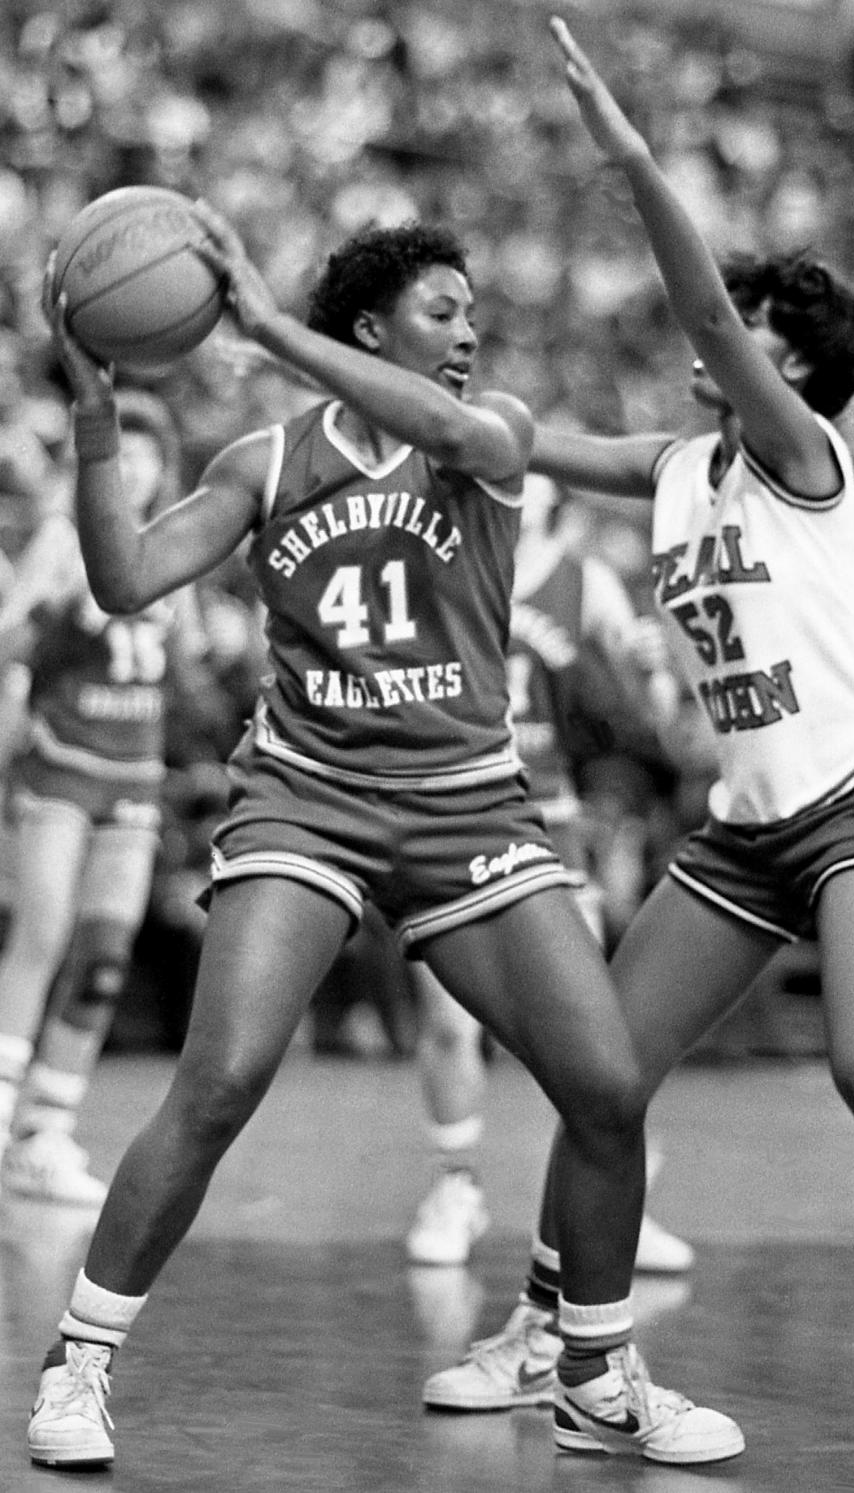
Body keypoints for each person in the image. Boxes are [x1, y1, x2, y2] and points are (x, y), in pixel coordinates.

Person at [26, 210, 745, 1468]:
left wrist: (265, 327)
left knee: (606, 1086)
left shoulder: (494, 439)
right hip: (308, 798)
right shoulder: (265, 460)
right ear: (372, 326)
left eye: (475, 313)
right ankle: (78, 1363)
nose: (470, 335)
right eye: (441, 312)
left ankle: (590, 1370)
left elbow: (461, 429)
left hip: (467, 803)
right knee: (222, 1079)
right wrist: (95, 411)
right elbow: (126, 579)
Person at [422, 16, 854, 1428]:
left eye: (753, 337)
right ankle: (548, 1337)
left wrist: (633, 157)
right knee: (606, 1073)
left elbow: (710, 315)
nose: (715, 345)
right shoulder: (675, 470)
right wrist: (409, 388)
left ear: (790, 371)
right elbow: (523, 446)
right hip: (745, 830)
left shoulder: (801, 455)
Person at [406, 471, 694, 1276]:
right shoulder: (432, 556)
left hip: (550, 817)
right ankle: (455, 1186)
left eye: (525, 466)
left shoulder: (584, 577)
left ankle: (615, 1207)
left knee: (591, 1026)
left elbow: (654, 715)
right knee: (449, 1018)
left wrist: (654, 667)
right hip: (451, 809)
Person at [0, 390, 206, 1205]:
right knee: (43, 927)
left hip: (135, 771)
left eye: (150, 455)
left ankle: (46, 1131)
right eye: (124, 454)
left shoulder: (174, 547)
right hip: (61, 761)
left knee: (103, 955)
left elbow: (183, 660)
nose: (139, 468)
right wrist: (49, 614)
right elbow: (11, 637)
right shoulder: (62, 537)